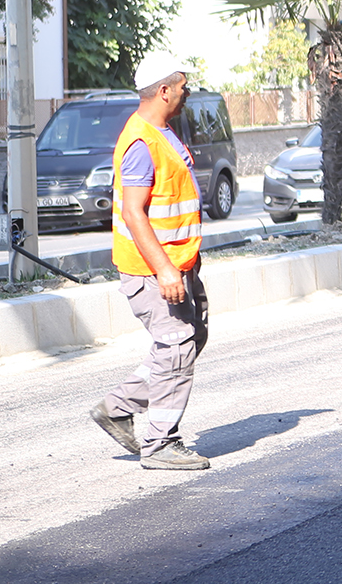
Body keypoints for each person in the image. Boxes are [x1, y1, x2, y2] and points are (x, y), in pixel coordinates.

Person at [89, 52, 212, 471]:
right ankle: (160, 443)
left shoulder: (163, 132)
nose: (186, 93)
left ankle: (117, 407)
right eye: (182, 87)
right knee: (176, 346)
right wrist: (163, 269)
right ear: (164, 90)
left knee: (189, 339)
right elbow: (133, 212)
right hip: (153, 270)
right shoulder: (142, 142)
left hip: (179, 262)